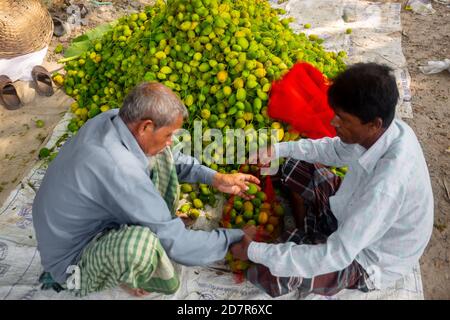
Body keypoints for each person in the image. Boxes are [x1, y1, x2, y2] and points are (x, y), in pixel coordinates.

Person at [33, 82, 259, 297]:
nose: (171, 140)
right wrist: (235, 239)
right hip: (72, 265)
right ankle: (128, 273)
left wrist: (215, 178)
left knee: (162, 153)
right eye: (168, 134)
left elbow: (173, 157)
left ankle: (157, 220)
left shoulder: (114, 118)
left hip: (88, 221)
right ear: (146, 127)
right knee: (141, 247)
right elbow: (179, 245)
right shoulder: (119, 168)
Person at [231, 63, 434, 298]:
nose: (333, 123)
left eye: (343, 119)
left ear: (374, 124)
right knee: (290, 163)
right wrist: (277, 150)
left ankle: (303, 241)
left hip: (367, 258)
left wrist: (254, 251)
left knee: (271, 271)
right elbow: (335, 151)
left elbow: (337, 254)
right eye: (336, 114)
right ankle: (307, 237)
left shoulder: (387, 186)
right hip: (351, 213)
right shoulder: (387, 130)